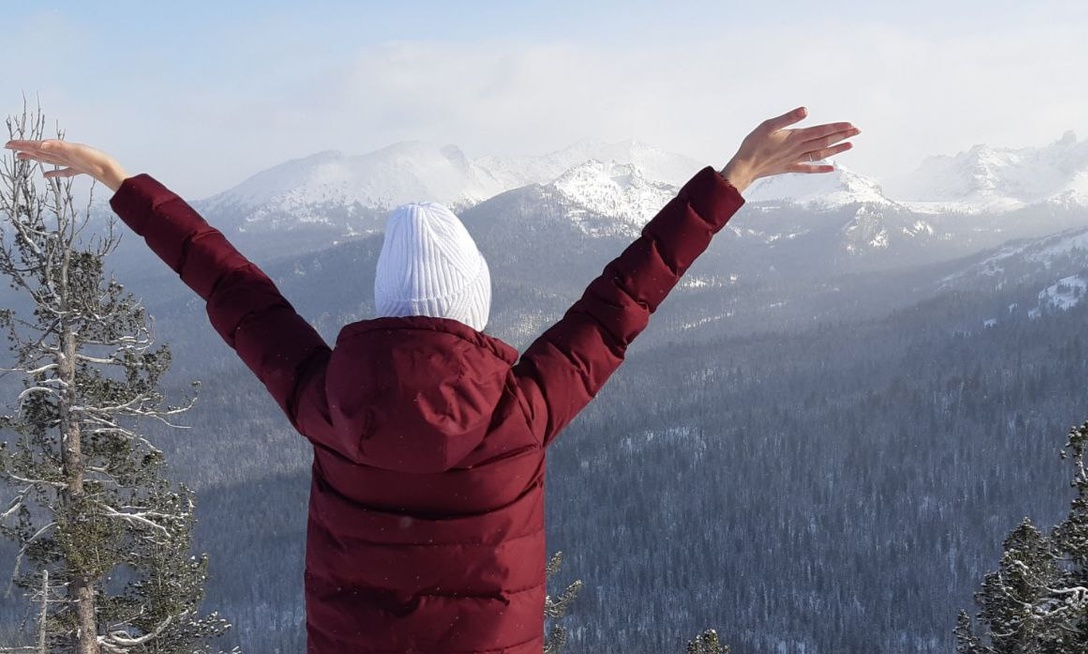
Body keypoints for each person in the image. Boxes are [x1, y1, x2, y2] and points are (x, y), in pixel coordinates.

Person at [6, 106, 858, 654]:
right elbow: (629, 293)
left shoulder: (323, 398)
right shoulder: (524, 409)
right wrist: (736, 177)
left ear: (383, 309)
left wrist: (120, 180)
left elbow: (229, 284)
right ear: (473, 311)